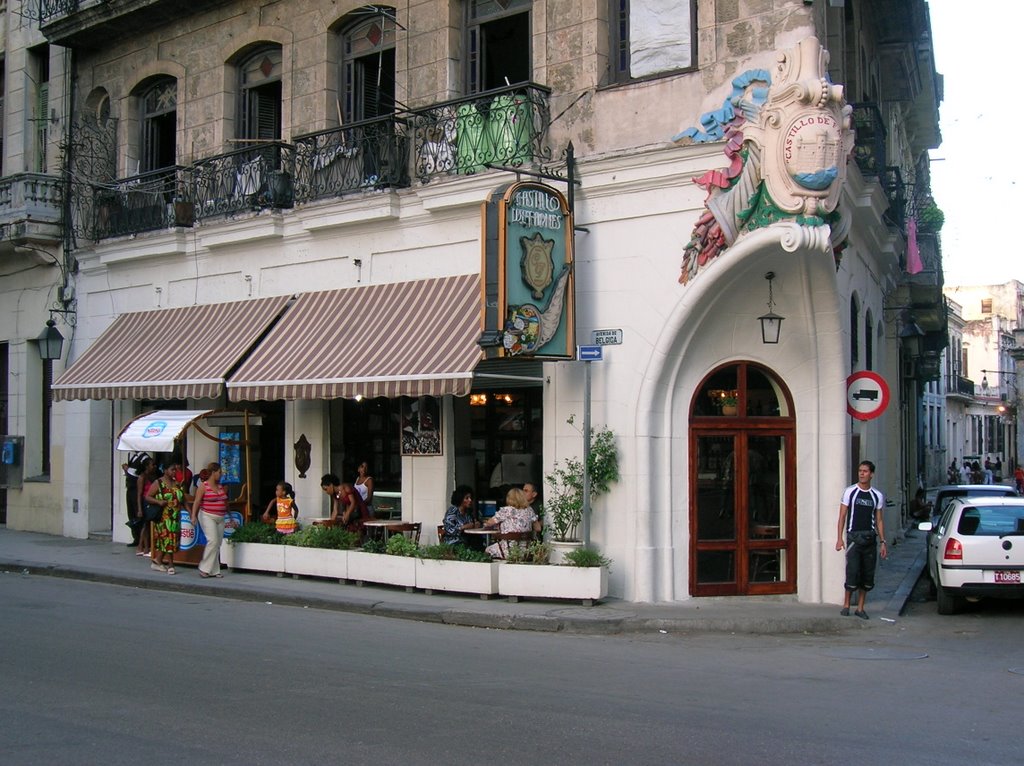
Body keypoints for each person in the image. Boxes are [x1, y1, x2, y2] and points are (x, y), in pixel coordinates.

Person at [835, 460, 887, 619]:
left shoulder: (876, 495)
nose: (862, 474)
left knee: (867, 574)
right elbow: (842, 516)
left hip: (869, 539)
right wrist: (840, 538)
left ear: (871, 474)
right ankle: (846, 605)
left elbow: (878, 520)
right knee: (852, 571)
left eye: (865, 471)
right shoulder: (850, 492)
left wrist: (883, 542)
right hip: (853, 538)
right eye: (860, 471)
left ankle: (860, 608)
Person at [146, 462, 184, 575]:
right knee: (168, 539)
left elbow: (183, 499)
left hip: (175, 517)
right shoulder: (158, 483)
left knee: (171, 539)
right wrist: (158, 502)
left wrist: (191, 513)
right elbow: (148, 497)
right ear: (165, 470)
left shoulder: (176, 483)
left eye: (175, 470)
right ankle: (171, 564)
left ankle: (158, 560)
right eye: (172, 469)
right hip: (164, 517)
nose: (174, 472)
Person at [192, 462, 228, 578]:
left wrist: (230, 517)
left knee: (217, 543)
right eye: (219, 472)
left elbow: (225, 503)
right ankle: (204, 568)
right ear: (213, 473)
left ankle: (214, 570)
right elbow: (197, 501)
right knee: (212, 541)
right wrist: (193, 515)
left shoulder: (220, 486)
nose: (221, 474)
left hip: (220, 517)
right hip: (207, 515)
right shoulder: (204, 486)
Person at [484, 487, 541, 559]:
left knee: (488, 550)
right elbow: (538, 528)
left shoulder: (506, 510)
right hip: (525, 551)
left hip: (507, 551)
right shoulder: (529, 510)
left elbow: (489, 523)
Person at [121, 451, 149, 547]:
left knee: (138, 515)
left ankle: (143, 541)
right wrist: (126, 470)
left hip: (136, 488)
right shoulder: (131, 456)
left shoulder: (144, 457)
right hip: (130, 488)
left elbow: (139, 472)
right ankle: (136, 537)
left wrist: (128, 469)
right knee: (131, 513)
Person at [135, 457, 158, 558]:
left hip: (151, 502)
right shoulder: (142, 477)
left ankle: (142, 547)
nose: (154, 466)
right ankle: (145, 548)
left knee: (148, 525)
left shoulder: (152, 476)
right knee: (145, 524)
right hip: (145, 502)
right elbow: (139, 494)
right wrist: (140, 509)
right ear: (147, 466)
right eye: (152, 464)